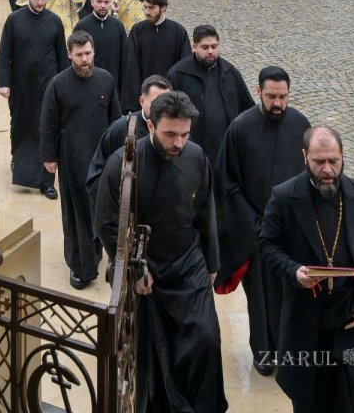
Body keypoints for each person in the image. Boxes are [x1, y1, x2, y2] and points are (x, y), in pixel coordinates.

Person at [95, 91, 226, 412]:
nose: (179, 143)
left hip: (189, 264)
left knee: (206, 339)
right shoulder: (123, 166)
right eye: (170, 134)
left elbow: (206, 211)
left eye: (185, 134)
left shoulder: (196, 157)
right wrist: (134, 269)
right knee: (156, 353)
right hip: (148, 268)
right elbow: (106, 222)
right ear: (150, 125)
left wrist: (212, 262)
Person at [258, 126, 354, 413]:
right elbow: (267, 245)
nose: (327, 170)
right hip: (306, 319)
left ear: (342, 156)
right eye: (319, 162)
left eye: (333, 161)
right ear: (304, 157)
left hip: (352, 315)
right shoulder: (284, 197)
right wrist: (294, 271)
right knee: (312, 401)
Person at [214, 65, 311, 377]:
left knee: (292, 295)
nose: (278, 103)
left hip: (292, 232)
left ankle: (290, 350)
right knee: (261, 299)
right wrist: (253, 222)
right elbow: (226, 183)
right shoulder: (240, 128)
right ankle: (264, 354)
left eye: (283, 96)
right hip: (255, 232)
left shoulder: (300, 125)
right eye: (271, 96)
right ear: (258, 92)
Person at [41, 30, 120, 289]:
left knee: (102, 209)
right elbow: (49, 122)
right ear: (69, 55)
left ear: (94, 51)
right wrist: (49, 157)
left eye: (88, 53)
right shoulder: (58, 84)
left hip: (102, 160)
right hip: (71, 158)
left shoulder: (105, 80)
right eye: (79, 55)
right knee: (75, 215)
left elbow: (115, 120)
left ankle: (100, 256)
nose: (85, 59)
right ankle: (79, 265)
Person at [85, 74, 172, 265]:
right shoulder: (119, 130)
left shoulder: (174, 133)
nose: (162, 108)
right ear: (142, 101)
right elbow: (96, 179)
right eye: (156, 102)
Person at [0, 0, 66, 198]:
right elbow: (4, 52)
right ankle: (20, 163)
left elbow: (61, 55)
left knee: (47, 129)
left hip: (48, 84)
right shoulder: (14, 20)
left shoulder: (55, 21)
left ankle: (47, 181)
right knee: (20, 125)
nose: (40, 1)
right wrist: (3, 83)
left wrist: (64, 85)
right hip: (20, 85)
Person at [166, 24, 254, 166]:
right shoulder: (178, 74)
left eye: (214, 46)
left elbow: (247, 109)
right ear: (194, 46)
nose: (211, 51)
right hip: (190, 151)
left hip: (225, 150)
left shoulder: (230, 73)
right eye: (205, 47)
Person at [122, 0, 190, 110]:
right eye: (145, 8)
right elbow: (132, 68)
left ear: (163, 7)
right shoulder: (137, 31)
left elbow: (184, 68)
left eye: (151, 8)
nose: (147, 12)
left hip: (171, 100)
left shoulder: (178, 32)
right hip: (145, 99)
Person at [75, 0, 129, 102]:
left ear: (110, 3)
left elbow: (124, 58)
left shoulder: (118, 26)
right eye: (99, 1)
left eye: (106, 2)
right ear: (92, 2)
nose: (103, 5)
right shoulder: (82, 26)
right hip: (88, 84)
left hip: (113, 85)